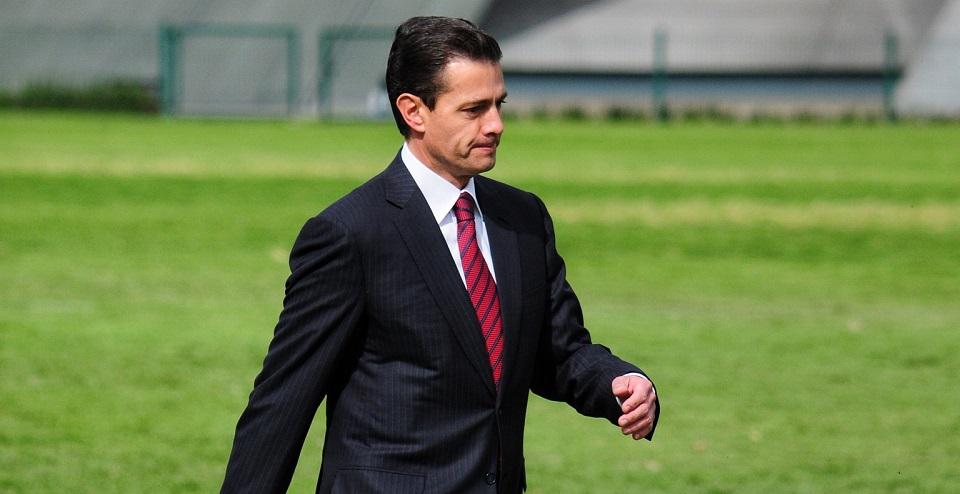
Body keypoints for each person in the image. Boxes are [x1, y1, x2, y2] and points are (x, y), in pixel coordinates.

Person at [221, 16, 659, 494]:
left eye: (498, 104)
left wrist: (618, 381)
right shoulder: (349, 234)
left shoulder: (523, 218)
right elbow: (283, 403)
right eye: (474, 109)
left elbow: (559, 350)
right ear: (414, 111)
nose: (496, 125)